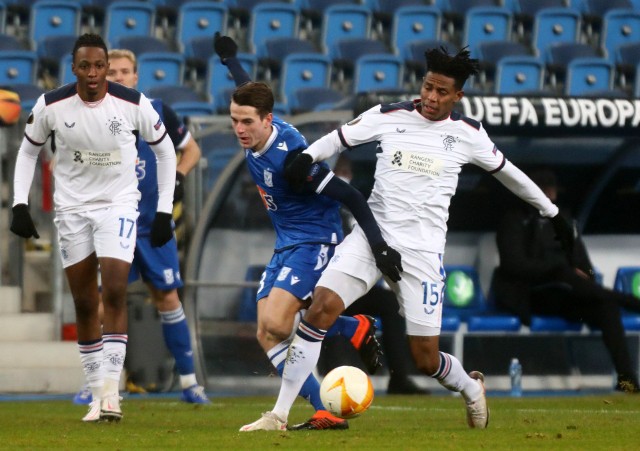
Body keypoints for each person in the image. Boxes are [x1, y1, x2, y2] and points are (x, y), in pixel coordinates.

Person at [240, 46, 576, 431]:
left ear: (458, 96)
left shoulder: (468, 135)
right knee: (321, 308)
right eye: (428, 87)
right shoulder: (389, 115)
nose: (432, 97)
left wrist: (553, 215)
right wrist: (307, 157)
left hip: (422, 253)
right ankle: (279, 415)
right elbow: (339, 138)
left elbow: (510, 174)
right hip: (371, 237)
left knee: (425, 359)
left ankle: (470, 387)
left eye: (442, 92)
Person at [214, 34, 401, 431]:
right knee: (266, 333)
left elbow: (349, 194)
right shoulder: (256, 121)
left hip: (316, 240)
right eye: (234, 120)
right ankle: (327, 402)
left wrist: (380, 246)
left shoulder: (293, 158)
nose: (239, 129)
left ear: (268, 120)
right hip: (286, 242)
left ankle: (346, 332)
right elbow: (248, 93)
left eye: (246, 122)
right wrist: (231, 61)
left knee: (280, 325)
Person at [10, 33, 177, 422]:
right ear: (74, 68)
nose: (92, 73)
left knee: (115, 289)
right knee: (85, 302)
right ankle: (95, 393)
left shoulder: (134, 102)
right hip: (72, 209)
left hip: (118, 204)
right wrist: (19, 204)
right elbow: (28, 150)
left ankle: (111, 393)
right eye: (84, 66)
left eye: (99, 66)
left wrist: (166, 210)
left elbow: (165, 150)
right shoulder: (51, 104)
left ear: (106, 67)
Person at [72, 48, 209, 406]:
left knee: (168, 298)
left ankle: (190, 384)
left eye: (124, 71)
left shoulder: (158, 111)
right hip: (111, 226)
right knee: (102, 303)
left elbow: (191, 150)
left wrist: (178, 175)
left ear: (136, 76)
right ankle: (95, 383)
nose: (117, 77)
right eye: (111, 72)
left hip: (153, 227)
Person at [493, 168, 640, 393]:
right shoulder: (514, 220)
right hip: (531, 295)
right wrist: (557, 269)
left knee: (606, 306)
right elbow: (514, 266)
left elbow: (586, 269)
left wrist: (576, 273)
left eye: (552, 190)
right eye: (544, 190)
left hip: (567, 294)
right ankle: (629, 301)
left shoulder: (564, 221)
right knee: (564, 273)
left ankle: (626, 380)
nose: (551, 195)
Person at [322, 153, 429, 395]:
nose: (344, 177)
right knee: (326, 306)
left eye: (347, 172)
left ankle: (398, 378)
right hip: (322, 282)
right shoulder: (322, 203)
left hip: (351, 283)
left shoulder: (356, 207)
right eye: (340, 172)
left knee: (391, 304)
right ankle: (331, 376)